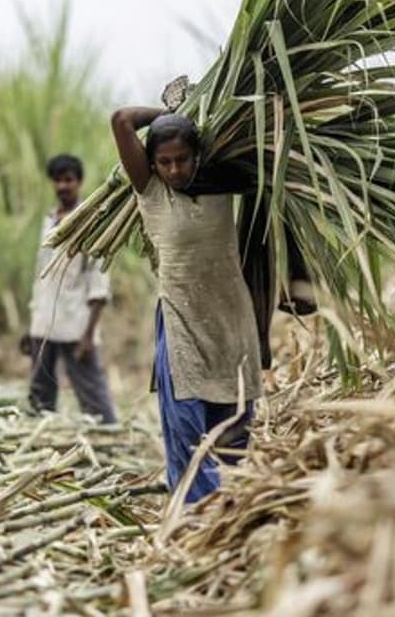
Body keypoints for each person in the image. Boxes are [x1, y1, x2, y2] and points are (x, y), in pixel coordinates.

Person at [109, 106, 262, 502]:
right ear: (152, 164)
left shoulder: (223, 182)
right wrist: (174, 112)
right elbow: (121, 120)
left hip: (232, 325)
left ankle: (232, 515)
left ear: (198, 157)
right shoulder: (151, 191)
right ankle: (199, 519)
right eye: (165, 162)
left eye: (182, 159)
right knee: (188, 437)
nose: (174, 169)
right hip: (182, 326)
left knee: (233, 438)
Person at [21, 153, 117, 424]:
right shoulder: (49, 220)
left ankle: (108, 436)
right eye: (57, 180)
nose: (63, 186)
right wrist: (32, 325)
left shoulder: (91, 221)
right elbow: (41, 276)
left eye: (68, 180)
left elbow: (98, 281)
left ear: (79, 182)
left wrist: (89, 335)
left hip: (76, 324)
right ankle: (39, 436)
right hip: (44, 324)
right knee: (40, 395)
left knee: (93, 395)